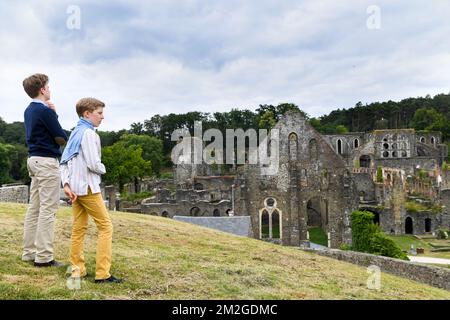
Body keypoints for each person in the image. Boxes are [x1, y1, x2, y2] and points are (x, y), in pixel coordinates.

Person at [60, 97, 122, 283]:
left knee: (79, 228)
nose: (102, 117)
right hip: (87, 188)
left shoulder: (75, 133)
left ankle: (77, 270)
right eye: (99, 113)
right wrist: (104, 168)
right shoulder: (88, 134)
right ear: (87, 114)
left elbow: (64, 162)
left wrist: (66, 185)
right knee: (106, 227)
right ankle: (103, 274)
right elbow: (94, 164)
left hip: (75, 189)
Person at [22, 73, 67, 267]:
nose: (49, 89)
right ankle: (44, 257)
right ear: (42, 89)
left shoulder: (28, 110)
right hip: (47, 162)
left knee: (35, 209)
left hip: (33, 160)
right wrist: (54, 114)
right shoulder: (45, 111)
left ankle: (29, 252)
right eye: (48, 86)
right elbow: (61, 137)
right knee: (48, 210)